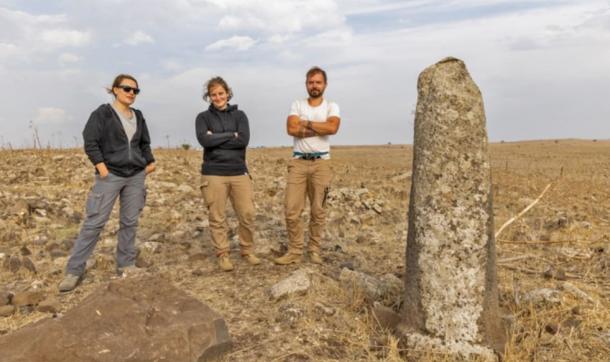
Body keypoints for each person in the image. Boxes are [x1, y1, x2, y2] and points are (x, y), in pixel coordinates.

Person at [58, 74, 156, 292]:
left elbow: (144, 142)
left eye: (135, 91)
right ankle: (74, 270)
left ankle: (126, 265)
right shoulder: (102, 113)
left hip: (135, 176)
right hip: (110, 175)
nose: (131, 93)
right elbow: (90, 141)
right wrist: (101, 168)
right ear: (115, 90)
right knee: (95, 222)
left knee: (129, 222)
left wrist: (149, 163)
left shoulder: (138, 116)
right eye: (126, 89)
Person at [274, 66, 341, 265]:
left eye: (318, 82)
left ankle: (314, 250)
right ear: (306, 84)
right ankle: (295, 251)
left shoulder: (332, 106)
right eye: (311, 82)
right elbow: (291, 128)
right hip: (298, 162)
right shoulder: (297, 104)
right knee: (292, 210)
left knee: (318, 210)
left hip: (321, 163)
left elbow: (333, 127)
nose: (314, 86)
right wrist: (319, 128)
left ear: (325, 85)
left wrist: (307, 124)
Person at [195, 76, 261, 271]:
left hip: (239, 172)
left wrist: (215, 137)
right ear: (209, 96)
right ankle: (223, 254)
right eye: (213, 94)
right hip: (213, 173)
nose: (218, 97)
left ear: (228, 93)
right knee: (217, 216)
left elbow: (243, 141)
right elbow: (204, 142)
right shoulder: (202, 117)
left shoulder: (240, 115)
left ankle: (247, 250)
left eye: (221, 93)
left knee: (247, 213)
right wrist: (230, 135)